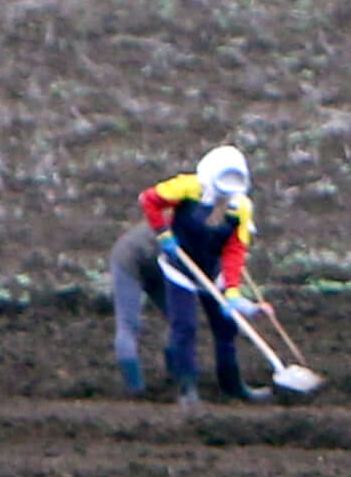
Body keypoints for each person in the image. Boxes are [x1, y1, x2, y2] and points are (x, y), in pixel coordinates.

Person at [109, 146, 263, 404]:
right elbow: (149, 199)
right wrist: (164, 235)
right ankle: (151, 390)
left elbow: (234, 250)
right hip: (155, 264)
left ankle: (229, 384)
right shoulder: (187, 190)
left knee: (222, 326)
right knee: (146, 324)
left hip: (201, 268)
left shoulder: (240, 206)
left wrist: (233, 292)